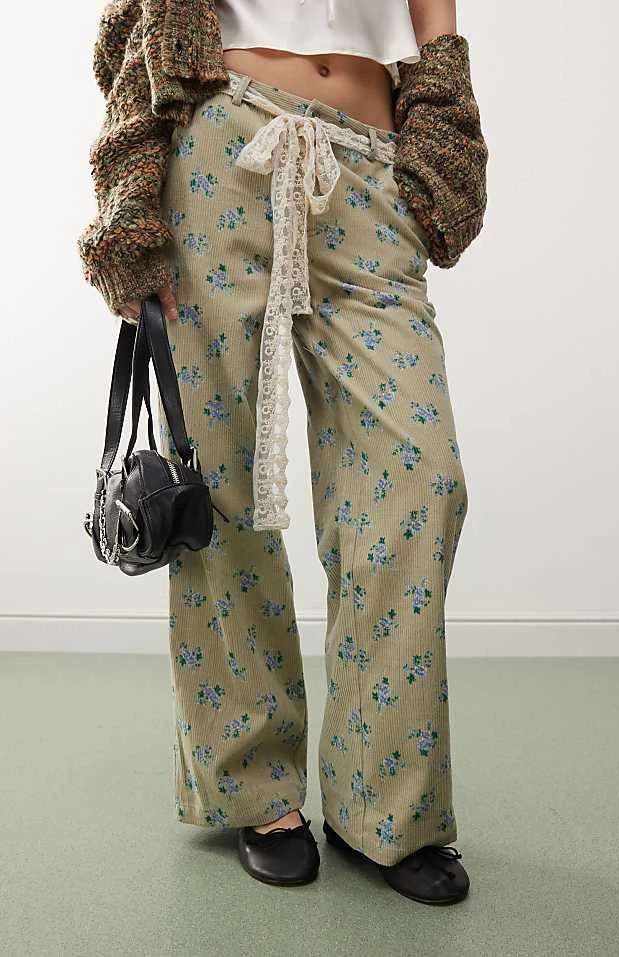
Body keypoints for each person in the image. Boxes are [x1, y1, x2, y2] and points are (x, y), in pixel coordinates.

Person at [78, 0, 487, 907]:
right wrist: (131, 204)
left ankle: (385, 805)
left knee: (420, 478)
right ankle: (257, 790)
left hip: (370, 166)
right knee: (217, 483)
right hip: (221, 148)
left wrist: (443, 106)